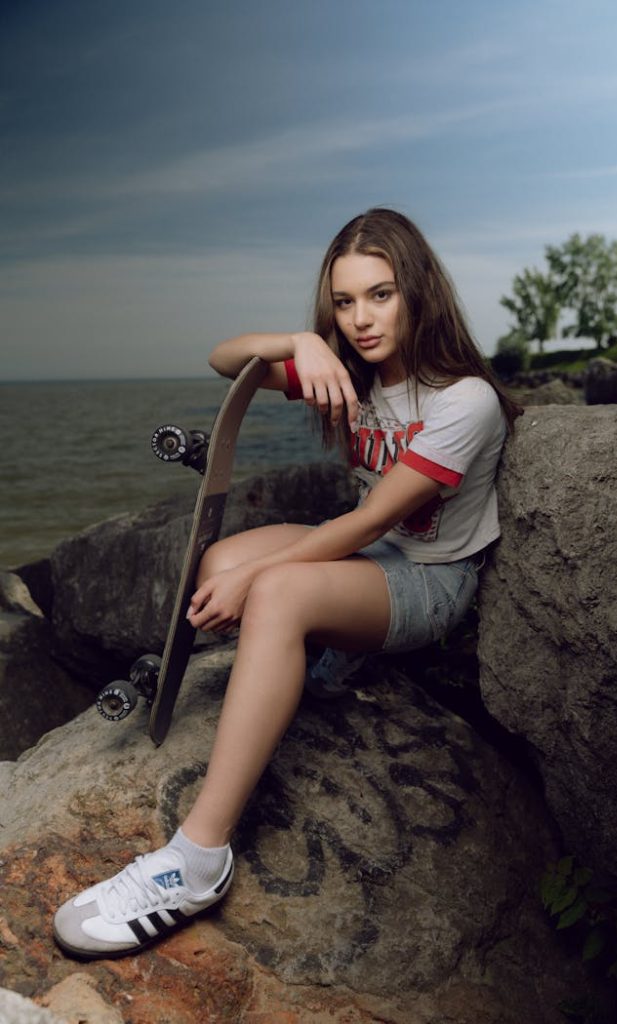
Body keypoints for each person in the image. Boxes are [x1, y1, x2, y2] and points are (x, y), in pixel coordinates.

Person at [53, 208, 521, 959]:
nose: (361, 320)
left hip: (429, 581)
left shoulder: (461, 400)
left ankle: (198, 858)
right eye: (342, 303)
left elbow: (370, 522)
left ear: (419, 292)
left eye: (380, 294)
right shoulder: (347, 372)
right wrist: (300, 343)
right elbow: (221, 359)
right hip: (372, 558)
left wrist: (266, 585)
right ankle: (329, 653)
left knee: (268, 591)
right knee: (219, 566)